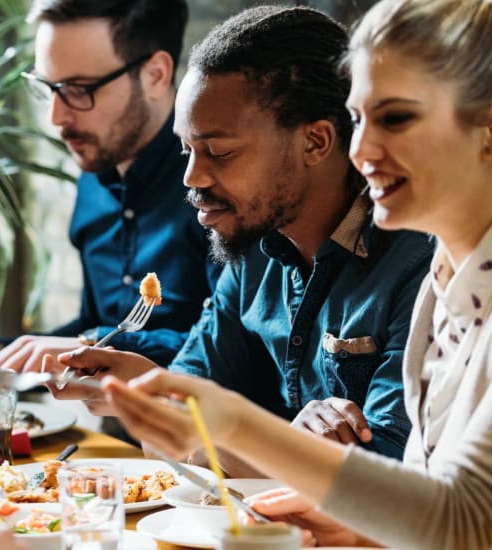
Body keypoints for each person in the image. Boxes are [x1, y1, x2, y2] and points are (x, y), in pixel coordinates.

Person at [104, 0, 492, 547]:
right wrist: (354, 526)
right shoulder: (448, 278)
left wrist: (231, 423)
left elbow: (462, 520)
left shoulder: (472, 279)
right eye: (359, 118)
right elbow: (424, 498)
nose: (363, 149)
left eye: (395, 118)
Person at [49, 4, 434, 473]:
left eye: (219, 152)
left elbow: (388, 484)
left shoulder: (420, 265)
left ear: (315, 142)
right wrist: (148, 391)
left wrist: (210, 426)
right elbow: (169, 443)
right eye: (186, 149)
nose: (191, 178)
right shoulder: (254, 252)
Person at [0, 0, 218, 391]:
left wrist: (93, 345)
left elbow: (229, 346)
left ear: (156, 75)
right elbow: (93, 324)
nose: (56, 118)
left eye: (78, 90)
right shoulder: (93, 182)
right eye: (48, 88)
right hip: (117, 443)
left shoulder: (217, 184)